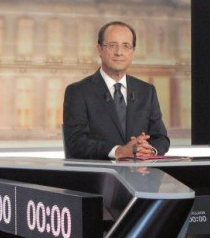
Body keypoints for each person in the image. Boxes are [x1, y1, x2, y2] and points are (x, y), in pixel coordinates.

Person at [63, 21, 170, 160]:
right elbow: (75, 143)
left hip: (141, 177)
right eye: (112, 46)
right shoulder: (78, 92)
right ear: (99, 49)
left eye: (126, 46)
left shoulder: (147, 91)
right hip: (99, 178)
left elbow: (161, 138)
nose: (119, 53)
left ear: (133, 51)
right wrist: (119, 151)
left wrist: (149, 150)